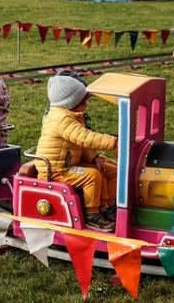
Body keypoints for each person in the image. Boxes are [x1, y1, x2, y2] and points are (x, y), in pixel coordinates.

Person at [36, 75, 118, 231]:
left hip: (69, 162)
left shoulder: (70, 116)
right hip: (56, 170)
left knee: (110, 168)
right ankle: (92, 215)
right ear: (71, 103)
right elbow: (85, 137)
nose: (86, 104)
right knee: (92, 176)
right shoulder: (62, 119)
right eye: (83, 101)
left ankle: (107, 206)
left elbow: (79, 143)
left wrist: (94, 157)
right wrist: (113, 142)